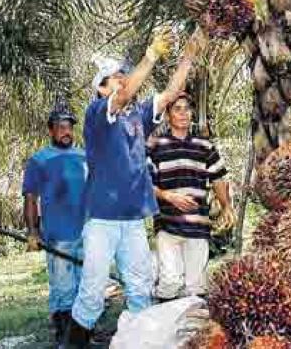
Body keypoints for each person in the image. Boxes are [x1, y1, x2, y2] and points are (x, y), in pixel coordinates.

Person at [66, 28, 207, 347]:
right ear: (101, 90)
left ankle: (140, 341)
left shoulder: (139, 116)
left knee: (141, 288)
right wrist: (151, 55)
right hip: (101, 220)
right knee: (92, 290)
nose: (120, 80)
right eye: (113, 78)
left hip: (132, 220)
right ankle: (73, 343)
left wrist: (189, 55)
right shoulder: (97, 115)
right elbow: (126, 93)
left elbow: (171, 93)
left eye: (122, 75)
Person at [148, 92, 234, 302]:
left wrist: (226, 206)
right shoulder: (156, 147)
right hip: (167, 225)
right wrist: (167, 196)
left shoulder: (204, 146)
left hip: (198, 226)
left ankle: (191, 332)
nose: (184, 113)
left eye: (187, 108)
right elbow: (143, 183)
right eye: (177, 109)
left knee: (195, 285)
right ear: (168, 115)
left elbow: (218, 178)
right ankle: (165, 330)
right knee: (170, 282)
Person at [22, 102, 87, 343]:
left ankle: (83, 335)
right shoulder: (39, 160)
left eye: (69, 126)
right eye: (60, 127)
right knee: (63, 288)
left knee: (85, 286)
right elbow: (30, 197)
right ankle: (64, 336)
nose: (65, 131)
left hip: (87, 233)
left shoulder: (84, 156)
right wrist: (32, 232)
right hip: (58, 235)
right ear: (50, 131)